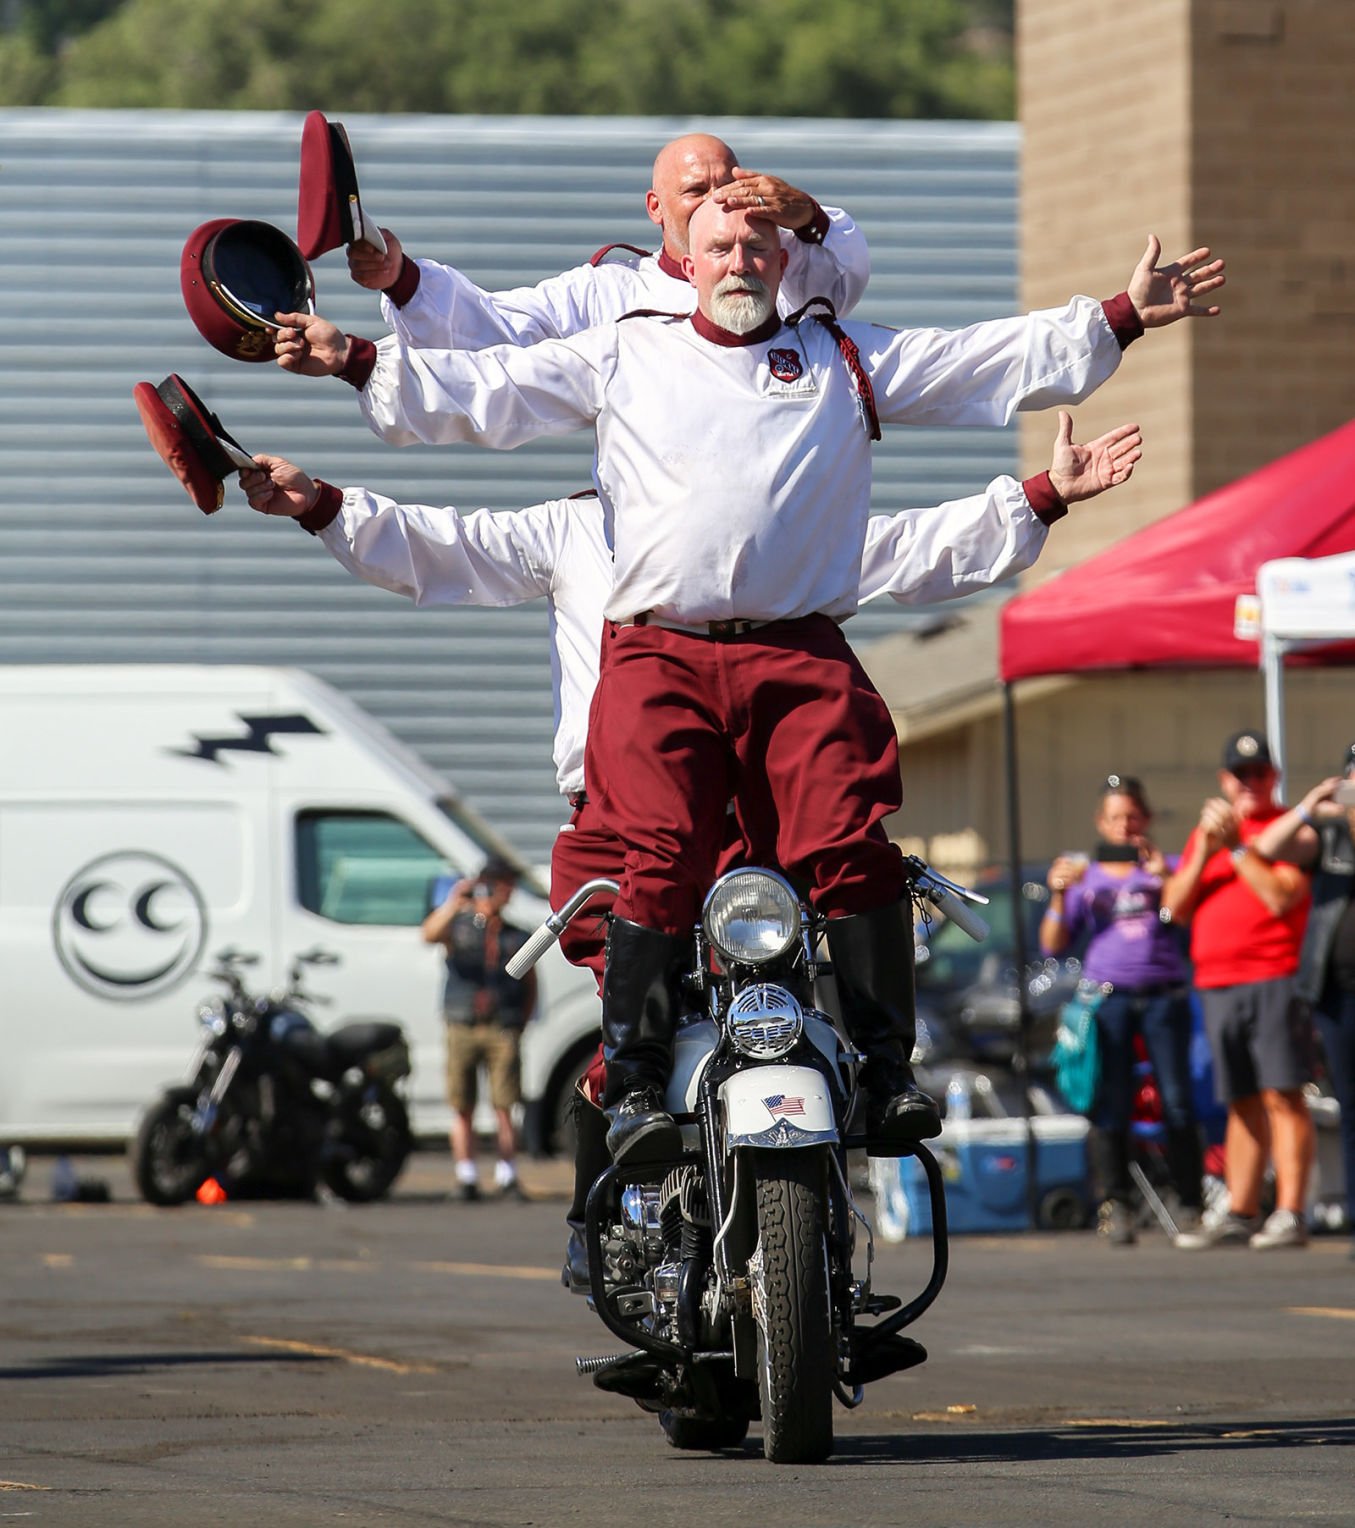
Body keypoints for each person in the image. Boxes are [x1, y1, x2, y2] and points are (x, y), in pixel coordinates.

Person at [271, 197, 1221, 1165]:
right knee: (659, 859)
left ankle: (885, 1072)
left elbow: (972, 358)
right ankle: (638, 1082)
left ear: (782, 262)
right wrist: (355, 357)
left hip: (793, 651)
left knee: (848, 847)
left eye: (754, 245)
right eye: (715, 244)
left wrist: (1118, 313)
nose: (736, 259)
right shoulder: (622, 351)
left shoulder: (838, 357)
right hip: (656, 653)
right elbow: (485, 389)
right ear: (681, 261)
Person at [242, 407, 1142, 1280]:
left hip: (752, 813)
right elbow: (433, 545)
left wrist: (1039, 496)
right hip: (616, 812)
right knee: (627, 1038)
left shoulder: (764, 533)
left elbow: (905, 546)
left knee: (793, 999)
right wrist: (320, 501)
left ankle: (845, 1149)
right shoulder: (571, 529)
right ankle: (603, 1218)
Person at [345, 133, 871, 350]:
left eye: (727, 183)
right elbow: (494, 327)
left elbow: (840, 281)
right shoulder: (609, 294)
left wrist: (808, 216)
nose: (717, 200)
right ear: (655, 208)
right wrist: (403, 280)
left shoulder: (773, 270)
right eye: (694, 191)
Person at [1164, 732, 1315, 1250]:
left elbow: (1279, 898)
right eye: (1240, 774)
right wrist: (1207, 849)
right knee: (1241, 1099)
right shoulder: (1206, 835)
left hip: (1274, 974)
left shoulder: (1288, 828)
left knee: (1283, 1094)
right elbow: (1174, 907)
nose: (1250, 783)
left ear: (1273, 777)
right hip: (1217, 982)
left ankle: (1291, 1211)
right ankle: (1242, 1208)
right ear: (1225, 781)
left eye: (1259, 773)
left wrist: (1237, 849)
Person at [1040, 774, 1202, 1245]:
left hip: (1162, 994)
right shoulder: (1083, 874)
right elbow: (1052, 942)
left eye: (1132, 817)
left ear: (1146, 819)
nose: (1125, 826)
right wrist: (1057, 891)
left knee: (1175, 1097)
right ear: (1100, 823)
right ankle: (1117, 1204)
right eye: (1115, 818)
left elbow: (1181, 917)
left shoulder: (1167, 868)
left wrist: (1164, 877)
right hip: (1107, 998)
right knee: (1108, 1099)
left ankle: (1190, 1201)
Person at [1251, 743, 1355, 1251]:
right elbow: (1268, 848)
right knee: (1350, 1107)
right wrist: (1309, 805)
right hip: (1335, 993)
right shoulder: (1330, 835)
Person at [421, 856, 536, 1200]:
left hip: (501, 1024)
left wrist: (521, 1022)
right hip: (463, 1023)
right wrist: (456, 901)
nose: (501, 892)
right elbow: (429, 933)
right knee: (462, 1103)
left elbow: (531, 984)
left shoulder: (517, 935)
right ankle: (466, 1174)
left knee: (505, 1103)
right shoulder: (458, 926)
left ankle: (507, 1173)